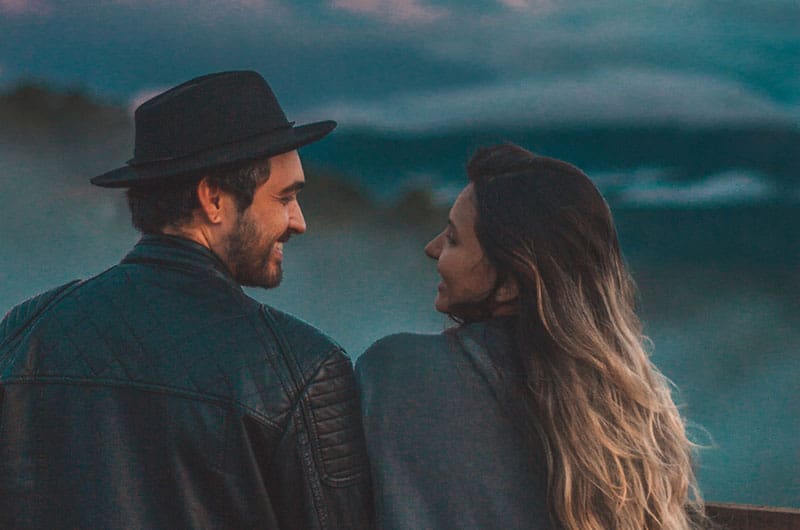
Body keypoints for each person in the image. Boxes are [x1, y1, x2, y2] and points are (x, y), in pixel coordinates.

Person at [0, 71, 372, 529]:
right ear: (213, 198)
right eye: (286, 197)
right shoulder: (302, 370)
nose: (299, 221)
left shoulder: (25, 330)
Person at [356, 144, 707, 529]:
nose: (432, 248)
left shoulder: (396, 369)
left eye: (453, 239)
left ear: (509, 283)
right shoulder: (639, 418)